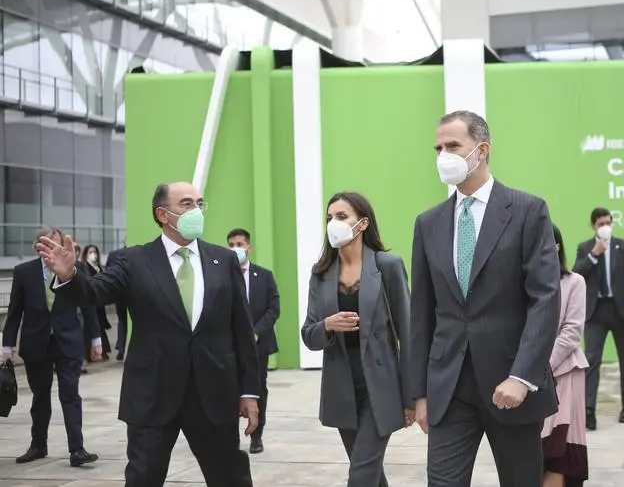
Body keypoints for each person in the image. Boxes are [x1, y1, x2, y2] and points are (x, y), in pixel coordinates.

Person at [34, 182, 261, 487]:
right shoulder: (134, 261)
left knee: (230, 478)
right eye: (186, 204)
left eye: (199, 203)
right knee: (144, 478)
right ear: (162, 214)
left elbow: (241, 330)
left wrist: (249, 391)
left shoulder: (224, 260)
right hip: (153, 395)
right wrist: (70, 275)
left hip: (213, 395)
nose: (196, 210)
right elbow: (95, 292)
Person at [410, 110, 561, 487]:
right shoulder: (428, 224)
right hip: (449, 386)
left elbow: (544, 299)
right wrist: (419, 394)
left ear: (482, 150)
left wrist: (522, 376)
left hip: (510, 384)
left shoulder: (527, 211)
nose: (443, 155)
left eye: (452, 146)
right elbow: (421, 314)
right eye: (438, 148)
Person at [301, 192, 414, 487]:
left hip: (381, 384)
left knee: (361, 474)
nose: (333, 223)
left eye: (341, 216)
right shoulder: (320, 273)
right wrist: (328, 325)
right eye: (329, 218)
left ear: (362, 223)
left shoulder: (388, 265)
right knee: (368, 471)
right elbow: (309, 335)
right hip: (341, 385)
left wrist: (412, 396)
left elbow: (408, 334)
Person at [1, 226, 101, 467]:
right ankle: (38, 445)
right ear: (38, 246)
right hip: (36, 343)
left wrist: (95, 339)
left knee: (70, 394)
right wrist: (7, 346)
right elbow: (14, 311)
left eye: (56, 243)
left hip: (68, 342)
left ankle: (77, 450)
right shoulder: (24, 272)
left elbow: (88, 304)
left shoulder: (76, 269)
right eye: (47, 243)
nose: (52, 248)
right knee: (40, 396)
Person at [573, 207, 624, 430]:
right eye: (600, 224)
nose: (605, 227)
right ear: (593, 226)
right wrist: (593, 254)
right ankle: (588, 410)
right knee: (591, 359)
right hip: (595, 312)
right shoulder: (585, 248)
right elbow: (576, 275)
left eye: (608, 222)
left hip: (621, 310)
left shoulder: (623, 246)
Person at [542, 225, 589, 487]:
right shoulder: (518, 283)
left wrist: (538, 368)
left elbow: (571, 333)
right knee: (533, 458)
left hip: (564, 374)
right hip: (526, 381)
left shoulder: (574, 282)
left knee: (558, 454)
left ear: (557, 246)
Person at [227, 228, 281, 454]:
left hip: (258, 345)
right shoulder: (221, 275)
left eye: (240, 244)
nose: (235, 249)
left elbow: (273, 308)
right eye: (231, 245)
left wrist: (256, 332)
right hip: (229, 346)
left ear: (249, 247)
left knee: (257, 389)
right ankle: (229, 437)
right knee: (229, 389)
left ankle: (256, 436)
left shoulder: (264, 275)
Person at [80, 244, 112, 361]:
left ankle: (103, 350)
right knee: (93, 326)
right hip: (92, 301)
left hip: (100, 302)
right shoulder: (85, 267)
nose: (93, 255)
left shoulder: (98, 267)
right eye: (90, 252)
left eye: (94, 252)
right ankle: (91, 352)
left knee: (100, 326)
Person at [106, 242, 128, 361]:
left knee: (122, 320)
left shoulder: (114, 254)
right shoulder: (138, 253)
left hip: (120, 293)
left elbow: (108, 272)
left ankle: (121, 346)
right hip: (134, 293)